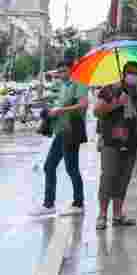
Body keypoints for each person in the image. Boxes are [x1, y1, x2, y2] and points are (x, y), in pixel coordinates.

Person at [93, 61, 137, 229]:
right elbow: (97, 111)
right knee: (108, 177)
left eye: (136, 72)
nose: (134, 75)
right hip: (111, 141)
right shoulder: (111, 88)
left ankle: (117, 215)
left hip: (131, 142)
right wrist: (117, 103)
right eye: (130, 72)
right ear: (124, 73)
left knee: (123, 179)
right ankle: (102, 216)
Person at [32, 62, 89, 215]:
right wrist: (51, 110)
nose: (61, 74)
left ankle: (78, 203)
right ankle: (49, 204)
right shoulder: (63, 85)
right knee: (49, 166)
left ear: (71, 70)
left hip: (71, 131)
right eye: (59, 71)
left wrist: (60, 110)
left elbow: (83, 104)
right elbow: (58, 103)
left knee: (72, 168)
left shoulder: (79, 83)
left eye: (64, 71)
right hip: (60, 131)